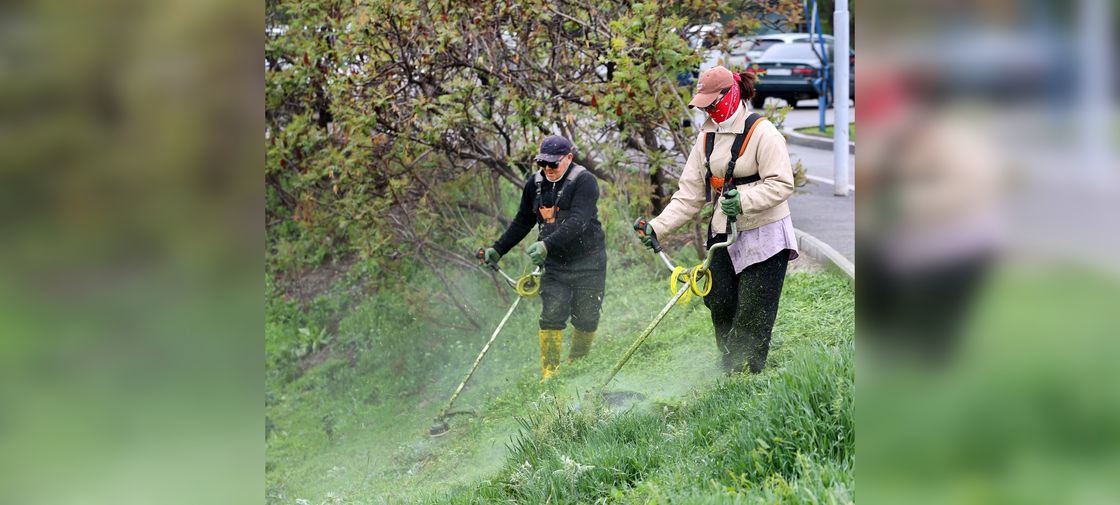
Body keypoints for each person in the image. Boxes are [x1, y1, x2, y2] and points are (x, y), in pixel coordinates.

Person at [636, 65, 798, 375]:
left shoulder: (764, 133)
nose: (709, 110)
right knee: (720, 303)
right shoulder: (707, 137)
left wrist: (746, 200)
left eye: (713, 102)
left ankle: (746, 375)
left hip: (765, 235)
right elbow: (689, 194)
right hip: (724, 235)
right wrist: (658, 226)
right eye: (705, 105)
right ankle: (729, 368)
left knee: (753, 311)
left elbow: (782, 183)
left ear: (732, 93)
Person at [483, 135, 607, 380]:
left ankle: (578, 364)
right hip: (555, 265)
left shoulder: (585, 181)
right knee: (552, 313)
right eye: (543, 163)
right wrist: (498, 249)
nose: (548, 169)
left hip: (589, 261)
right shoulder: (535, 184)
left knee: (587, 316)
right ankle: (550, 374)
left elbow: (578, 221)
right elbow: (522, 221)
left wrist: (546, 244)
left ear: (569, 158)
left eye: (553, 164)